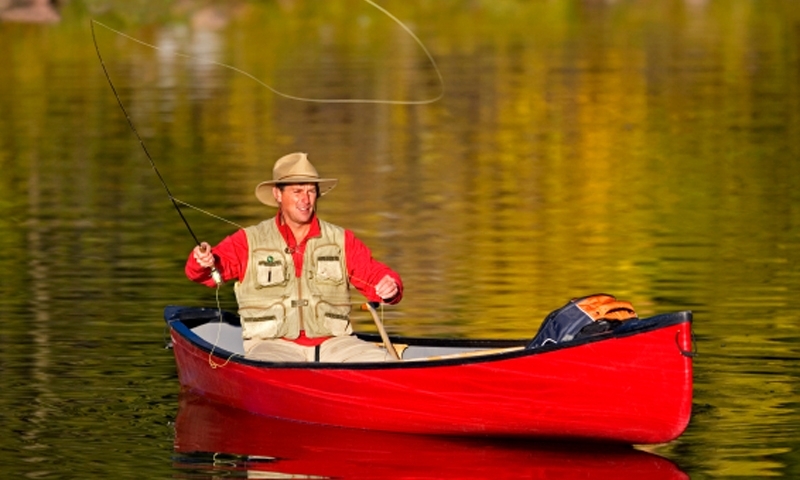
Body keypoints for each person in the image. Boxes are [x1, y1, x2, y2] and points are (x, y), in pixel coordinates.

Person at [186, 152, 403, 363]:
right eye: (297, 191)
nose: (305, 200)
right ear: (278, 194)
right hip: (271, 347)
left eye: (310, 191)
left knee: (386, 364)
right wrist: (203, 260)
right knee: (271, 371)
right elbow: (204, 273)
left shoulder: (341, 239)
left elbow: (374, 274)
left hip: (336, 344)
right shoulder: (248, 240)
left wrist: (389, 285)